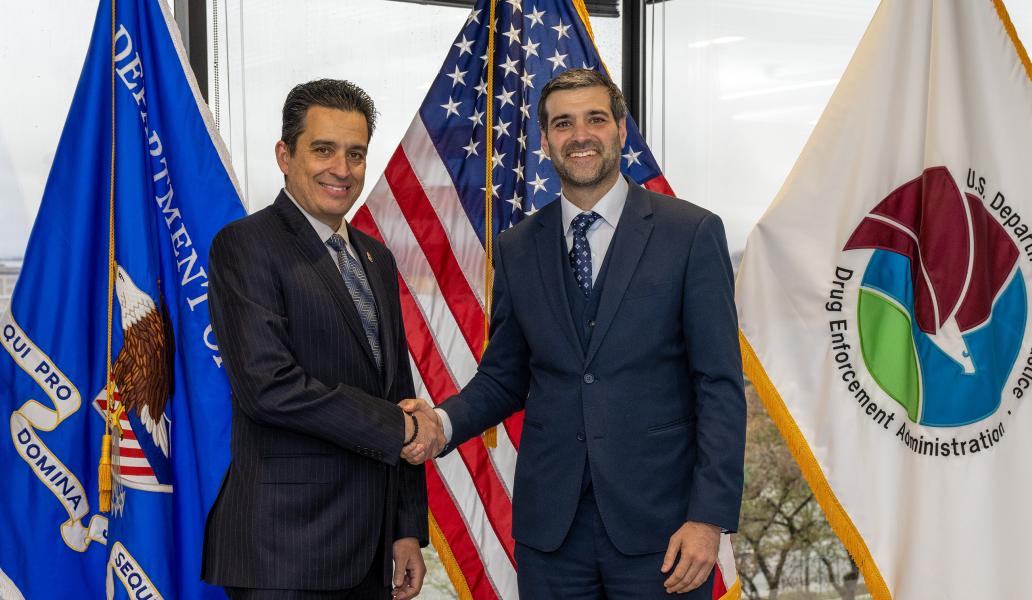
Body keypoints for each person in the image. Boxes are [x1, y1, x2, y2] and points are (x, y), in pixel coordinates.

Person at [405, 68, 746, 598]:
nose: (580, 135)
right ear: (545, 141)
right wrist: (442, 423)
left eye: (595, 119)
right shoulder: (517, 247)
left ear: (621, 130)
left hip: (664, 531)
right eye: (563, 123)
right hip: (551, 536)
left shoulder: (691, 233)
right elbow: (504, 378)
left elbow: (719, 385)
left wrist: (708, 517)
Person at [202, 79, 441, 600]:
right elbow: (269, 387)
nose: (342, 169)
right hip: (284, 551)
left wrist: (405, 528)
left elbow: (397, 391)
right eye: (324, 149)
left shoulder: (376, 258)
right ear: (284, 156)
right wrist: (398, 427)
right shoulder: (245, 246)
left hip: (370, 550)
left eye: (356, 153)